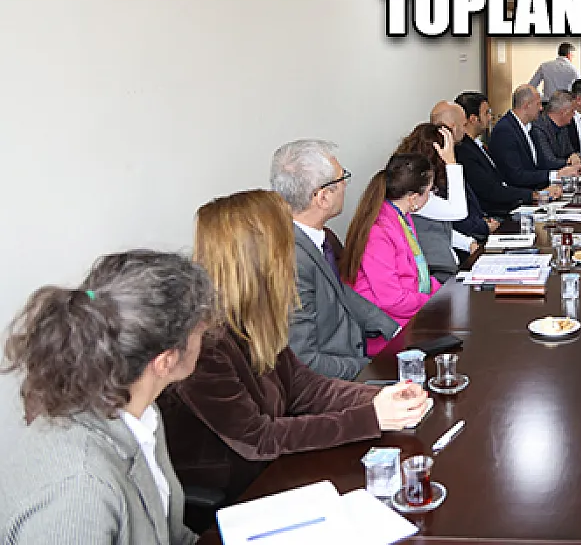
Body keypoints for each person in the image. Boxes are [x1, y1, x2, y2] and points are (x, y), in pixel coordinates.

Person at [161, 190, 431, 503]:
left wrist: (382, 397)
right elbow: (258, 439)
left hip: (279, 464)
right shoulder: (203, 345)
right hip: (242, 488)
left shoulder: (255, 320)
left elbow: (305, 388)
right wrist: (371, 418)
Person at [0, 251, 212, 544]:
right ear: (166, 361)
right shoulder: (79, 489)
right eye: (200, 332)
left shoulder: (141, 414)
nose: (206, 338)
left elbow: (166, 534)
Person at [270, 139, 400, 380]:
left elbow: (338, 291)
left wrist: (394, 330)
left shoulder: (313, 238)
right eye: (342, 179)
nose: (345, 185)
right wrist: (368, 368)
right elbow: (305, 360)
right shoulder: (292, 259)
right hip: (336, 380)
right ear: (322, 197)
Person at [341, 154, 444, 355]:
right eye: (430, 191)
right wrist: (432, 302)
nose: (431, 196)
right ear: (413, 198)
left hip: (409, 312)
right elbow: (392, 300)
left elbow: (416, 274)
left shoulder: (400, 217)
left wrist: (441, 293)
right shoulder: (378, 231)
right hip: (388, 329)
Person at [454, 91, 557, 216]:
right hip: (494, 213)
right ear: (473, 119)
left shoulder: (477, 145)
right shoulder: (465, 151)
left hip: (508, 203)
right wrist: (534, 195)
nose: (490, 117)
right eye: (486, 113)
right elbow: (490, 190)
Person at [394, 122, 473, 282]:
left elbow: (438, 226)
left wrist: (468, 243)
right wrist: (451, 163)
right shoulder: (414, 194)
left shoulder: (417, 188)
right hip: (435, 273)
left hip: (444, 266)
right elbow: (458, 212)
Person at [429, 100, 499, 244]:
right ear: (453, 127)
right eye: (463, 125)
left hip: (469, 231)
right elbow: (457, 215)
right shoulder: (441, 160)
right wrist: (483, 227)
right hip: (459, 237)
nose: (465, 130)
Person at [489, 85, 581, 190]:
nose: (541, 108)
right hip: (520, 195)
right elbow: (516, 176)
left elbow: (540, 162)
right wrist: (556, 175)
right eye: (538, 104)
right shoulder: (505, 130)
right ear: (526, 105)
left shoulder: (530, 127)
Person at [531, 89, 581, 170]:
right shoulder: (539, 128)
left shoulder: (563, 127)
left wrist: (576, 156)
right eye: (572, 111)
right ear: (564, 112)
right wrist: (571, 162)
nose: (574, 114)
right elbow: (549, 162)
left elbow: (570, 152)